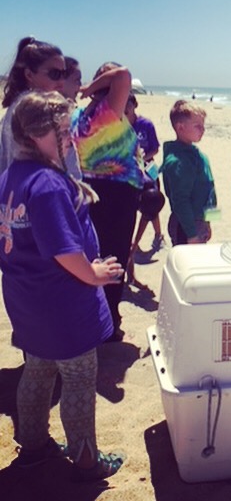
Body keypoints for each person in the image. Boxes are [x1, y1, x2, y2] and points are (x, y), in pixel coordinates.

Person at [0, 91, 126, 480]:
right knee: (78, 377)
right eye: (66, 128)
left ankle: (35, 445)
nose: (73, 135)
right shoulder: (48, 184)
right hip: (63, 305)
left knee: (37, 371)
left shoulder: (11, 176)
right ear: (39, 134)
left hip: (27, 300)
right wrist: (96, 274)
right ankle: (87, 459)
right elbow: (64, 252)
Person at [71, 62, 145, 342]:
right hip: (118, 194)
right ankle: (110, 320)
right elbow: (125, 73)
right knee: (114, 257)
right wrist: (93, 87)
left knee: (95, 253)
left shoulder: (80, 114)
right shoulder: (109, 111)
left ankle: (99, 315)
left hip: (89, 190)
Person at [0, 37, 71, 175]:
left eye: (64, 74)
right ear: (29, 75)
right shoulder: (34, 113)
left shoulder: (18, 107)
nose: (62, 81)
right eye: (55, 74)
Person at [161, 100, 216, 245]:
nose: (203, 129)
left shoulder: (199, 155)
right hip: (186, 224)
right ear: (180, 127)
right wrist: (191, 234)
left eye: (203, 125)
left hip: (201, 220)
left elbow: (210, 191)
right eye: (197, 126)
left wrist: (210, 221)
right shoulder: (178, 161)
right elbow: (180, 200)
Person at [125, 95, 166, 253]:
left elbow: (155, 148)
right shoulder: (117, 125)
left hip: (148, 170)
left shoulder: (145, 124)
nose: (126, 107)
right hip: (128, 172)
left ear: (135, 104)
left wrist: (141, 159)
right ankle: (132, 242)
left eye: (129, 103)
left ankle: (158, 236)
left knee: (152, 203)